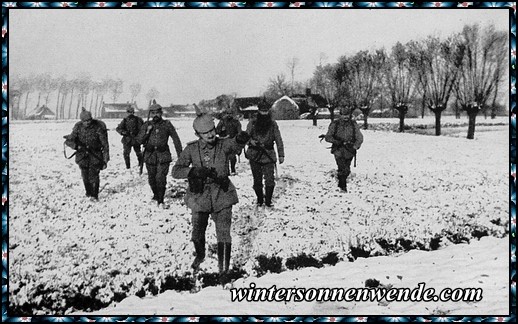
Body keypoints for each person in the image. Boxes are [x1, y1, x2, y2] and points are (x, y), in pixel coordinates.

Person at [172, 113, 250, 284]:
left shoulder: (223, 144)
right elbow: (176, 171)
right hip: (199, 197)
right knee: (197, 233)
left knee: (223, 233)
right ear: (197, 135)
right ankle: (200, 255)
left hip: (222, 194)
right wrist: (192, 171)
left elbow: (235, 144)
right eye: (205, 133)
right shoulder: (191, 149)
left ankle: (224, 271)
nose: (210, 135)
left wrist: (241, 138)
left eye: (212, 130)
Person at [136, 101, 183, 209]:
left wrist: (180, 155)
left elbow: (176, 139)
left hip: (163, 155)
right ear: (150, 114)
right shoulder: (146, 125)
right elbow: (139, 140)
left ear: (161, 113)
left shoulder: (167, 124)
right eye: (153, 113)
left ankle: (160, 200)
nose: (155, 115)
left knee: (160, 178)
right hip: (150, 156)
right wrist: (147, 132)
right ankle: (156, 196)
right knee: (152, 179)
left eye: (157, 113)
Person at [64, 108, 110, 201]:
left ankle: (95, 195)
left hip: (95, 155)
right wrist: (76, 147)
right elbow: (69, 141)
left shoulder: (98, 127)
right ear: (82, 121)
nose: (88, 122)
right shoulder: (78, 127)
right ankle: (88, 193)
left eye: (89, 120)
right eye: (85, 121)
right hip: (82, 156)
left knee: (94, 176)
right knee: (85, 176)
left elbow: (105, 145)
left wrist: (105, 160)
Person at [244, 101, 284, 207]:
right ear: (258, 111)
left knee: (270, 180)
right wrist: (250, 142)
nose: (264, 113)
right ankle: (260, 199)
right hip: (255, 154)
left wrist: (281, 154)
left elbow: (278, 139)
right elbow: (246, 137)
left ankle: (268, 201)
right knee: (257, 180)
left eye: (266, 111)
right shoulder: (252, 123)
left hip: (268, 155)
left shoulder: (273, 123)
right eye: (262, 111)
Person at [324, 106, 364, 192]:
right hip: (338, 150)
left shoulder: (353, 125)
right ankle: (343, 186)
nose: (345, 117)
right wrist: (337, 141)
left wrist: (355, 146)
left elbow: (360, 137)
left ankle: (341, 181)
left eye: (347, 115)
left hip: (349, 151)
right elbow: (328, 137)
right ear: (340, 115)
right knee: (341, 167)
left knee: (347, 169)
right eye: (343, 115)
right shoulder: (335, 124)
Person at [115, 106, 144, 170]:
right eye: (128, 112)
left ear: (133, 112)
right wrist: (123, 132)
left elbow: (143, 129)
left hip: (136, 140)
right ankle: (128, 166)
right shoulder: (125, 120)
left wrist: (140, 136)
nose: (130, 114)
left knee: (138, 152)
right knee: (126, 154)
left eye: (131, 112)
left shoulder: (138, 120)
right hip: (127, 140)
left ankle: (140, 164)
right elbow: (118, 128)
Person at [215, 110, 243, 175]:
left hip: (233, 142)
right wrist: (221, 130)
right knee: (225, 157)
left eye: (230, 113)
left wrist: (238, 139)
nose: (229, 115)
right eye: (228, 113)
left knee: (232, 157)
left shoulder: (236, 122)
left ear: (232, 114)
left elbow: (239, 131)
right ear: (226, 114)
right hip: (224, 141)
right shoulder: (222, 121)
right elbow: (216, 131)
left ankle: (233, 169)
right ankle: (226, 171)